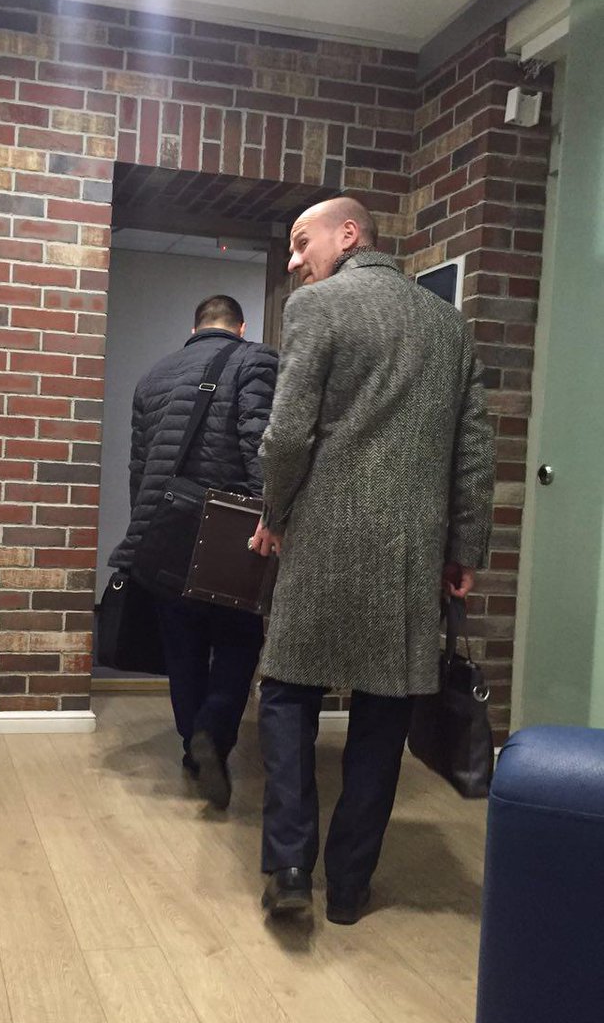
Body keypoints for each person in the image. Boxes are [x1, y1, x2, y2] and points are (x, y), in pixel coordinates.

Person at [249, 196, 494, 924]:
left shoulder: (317, 308)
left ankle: (292, 865)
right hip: (412, 551)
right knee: (384, 710)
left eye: (303, 243)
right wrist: (464, 548)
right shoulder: (449, 326)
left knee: (287, 692)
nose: (295, 261)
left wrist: (273, 515)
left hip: (323, 535)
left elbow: (287, 435)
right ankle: (351, 887)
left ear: (349, 234)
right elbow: (474, 450)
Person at [109, 294, 278, 809]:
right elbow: (259, 446)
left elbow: (139, 469)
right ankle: (212, 732)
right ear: (240, 327)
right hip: (229, 535)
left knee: (182, 648)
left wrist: (145, 527)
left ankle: (192, 747)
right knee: (238, 640)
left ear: (194, 328)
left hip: (163, 533)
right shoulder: (255, 359)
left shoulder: (153, 377)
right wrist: (272, 516)